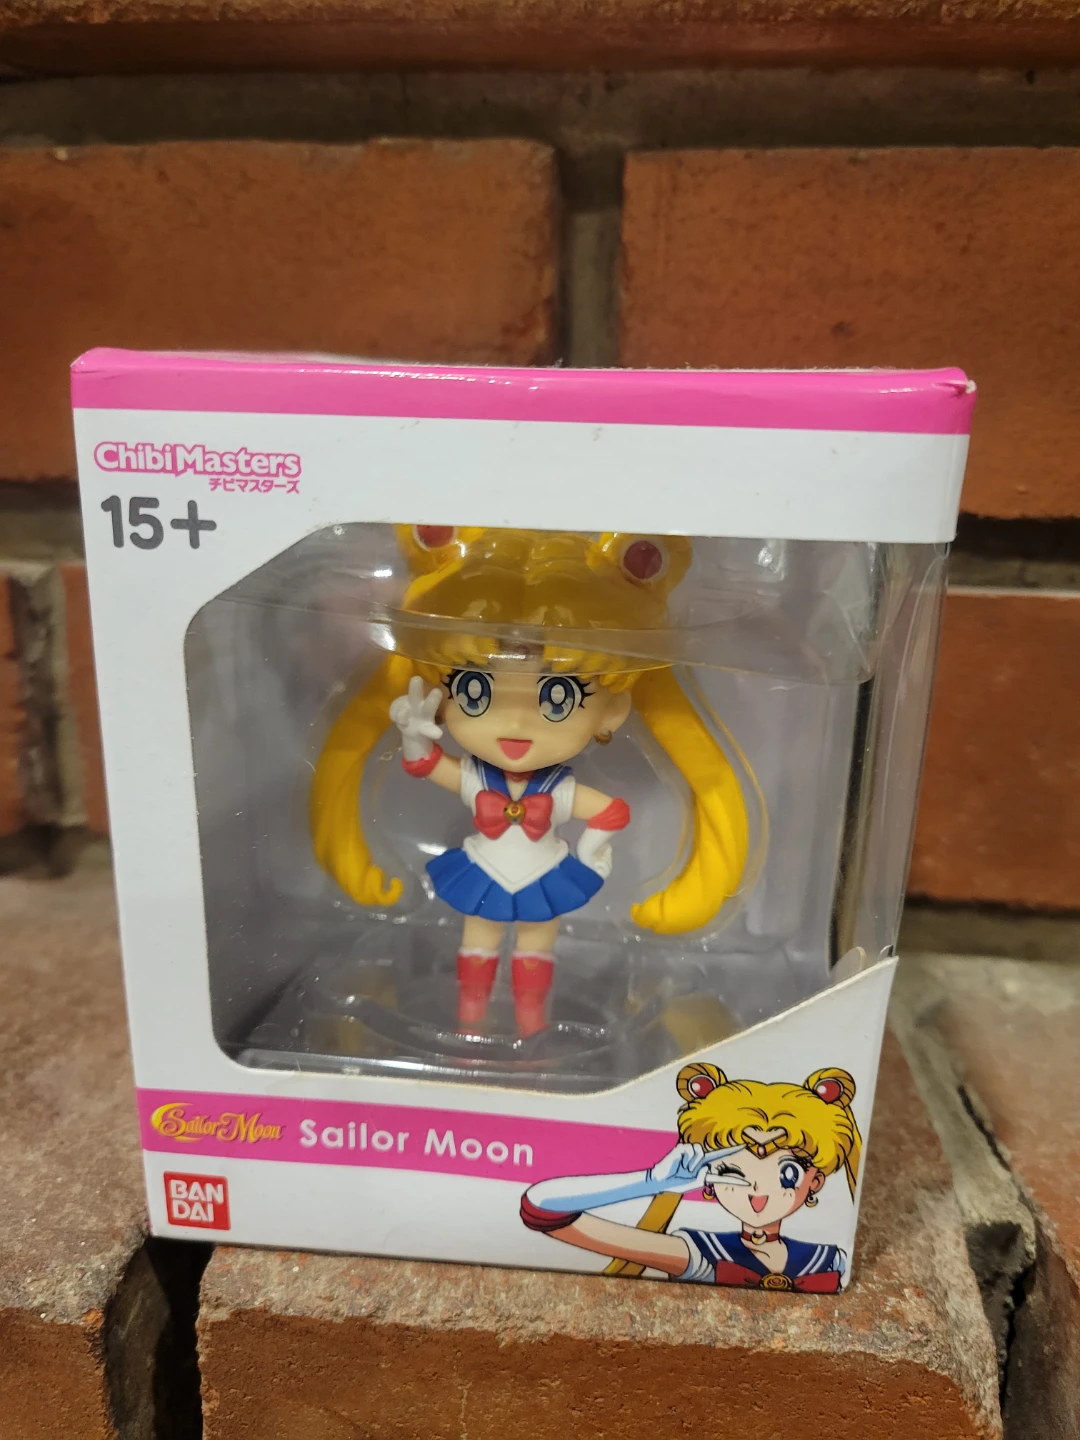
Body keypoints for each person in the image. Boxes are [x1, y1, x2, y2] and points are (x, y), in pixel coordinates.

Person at [311, 526, 749, 1034]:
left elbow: (612, 812)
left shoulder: (555, 790)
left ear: (613, 711)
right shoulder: (479, 777)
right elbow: (426, 765)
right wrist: (412, 733)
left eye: (559, 697)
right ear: (441, 694)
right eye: (475, 690)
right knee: (477, 944)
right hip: (484, 869)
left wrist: (591, 853)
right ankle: (470, 1019)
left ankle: (532, 1027)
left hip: (545, 874)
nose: (516, 722)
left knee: (535, 952)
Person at [520, 1062, 861, 1291]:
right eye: (732, 1171)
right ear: (711, 1180)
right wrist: (651, 1182)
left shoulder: (831, 1258)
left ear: (815, 1182)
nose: (758, 1190)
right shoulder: (699, 1251)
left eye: (787, 1173)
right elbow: (543, 1207)